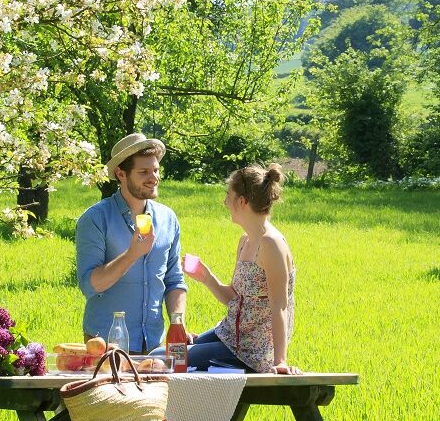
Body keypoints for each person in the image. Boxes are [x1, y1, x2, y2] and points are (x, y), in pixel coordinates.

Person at [75, 133, 187, 354]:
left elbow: (174, 280)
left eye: (155, 170)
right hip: (106, 343)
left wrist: (178, 323)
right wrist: (131, 255)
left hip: (155, 342)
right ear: (121, 174)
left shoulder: (168, 219)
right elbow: (89, 284)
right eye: (143, 172)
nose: (153, 178)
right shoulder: (95, 218)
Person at [184, 164, 300, 374]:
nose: (225, 202)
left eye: (228, 195)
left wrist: (280, 361)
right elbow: (234, 299)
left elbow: (279, 306)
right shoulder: (245, 241)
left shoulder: (271, 244)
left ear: (242, 201)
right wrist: (206, 277)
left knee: (171, 362)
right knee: (165, 354)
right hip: (230, 337)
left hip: (251, 353)